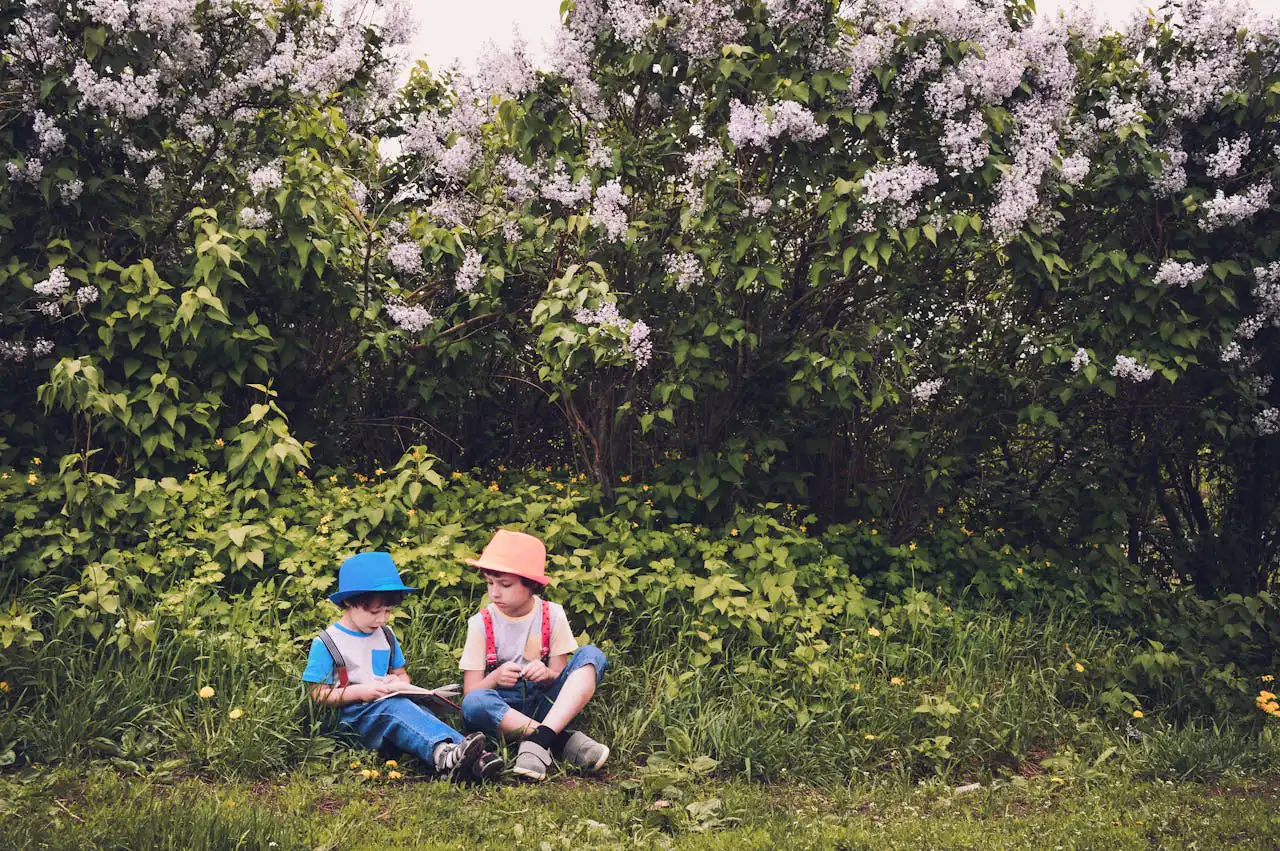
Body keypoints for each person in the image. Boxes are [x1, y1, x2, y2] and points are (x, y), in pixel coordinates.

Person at [303, 551, 503, 781]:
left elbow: (402, 674)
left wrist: (398, 683)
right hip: (350, 721)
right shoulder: (328, 642)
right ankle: (447, 757)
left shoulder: (385, 636)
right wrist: (359, 692)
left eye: (387, 611)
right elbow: (317, 694)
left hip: (384, 711)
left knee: (419, 713)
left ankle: (466, 760)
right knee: (395, 710)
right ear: (349, 602)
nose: (382, 619)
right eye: (374, 612)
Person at [458, 529, 610, 782]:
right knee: (475, 704)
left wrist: (547, 675)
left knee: (592, 654)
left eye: (505, 585)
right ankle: (556, 739)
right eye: (489, 583)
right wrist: (494, 678)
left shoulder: (552, 614)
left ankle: (540, 738)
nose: (494, 593)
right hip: (504, 710)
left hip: (546, 704)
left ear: (531, 585)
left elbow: (560, 678)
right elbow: (471, 692)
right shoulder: (480, 623)